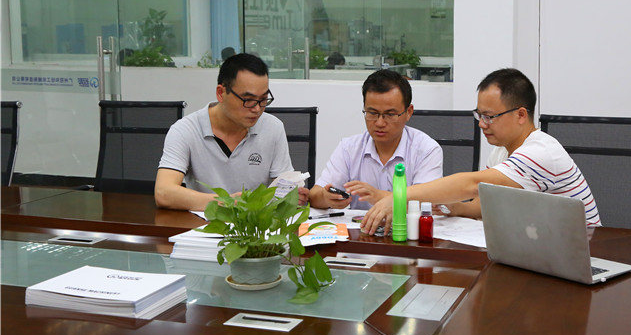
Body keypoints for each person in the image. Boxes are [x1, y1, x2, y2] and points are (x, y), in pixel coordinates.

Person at [361, 68, 601, 234]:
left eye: (490, 116)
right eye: (479, 115)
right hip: (543, 246)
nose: (482, 124)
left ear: (520, 115)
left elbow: (472, 184)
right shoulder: (502, 152)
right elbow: (484, 203)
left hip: (585, 251)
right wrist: (457, 208)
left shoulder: (541, 152)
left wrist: (399, 196)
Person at [155, 53, 309, 211]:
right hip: (202, 223)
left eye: (263, 99)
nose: (257, 109)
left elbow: (285, 188)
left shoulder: (273, 127)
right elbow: (163, 193)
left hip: (254, 224)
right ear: (221, 93)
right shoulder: (185, 130)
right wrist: (227, 202)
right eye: (248, 100)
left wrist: (292, 196)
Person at [309, 69, 443, 210]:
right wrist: (326, 198)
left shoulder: (426, 150)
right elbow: (314, 195)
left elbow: (428, 203)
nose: (379, 123)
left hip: (406, 224)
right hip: (360, 224)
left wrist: (378, 196)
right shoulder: (348, 148)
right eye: (372, 113)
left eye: (390, 114)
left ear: (408, 112)